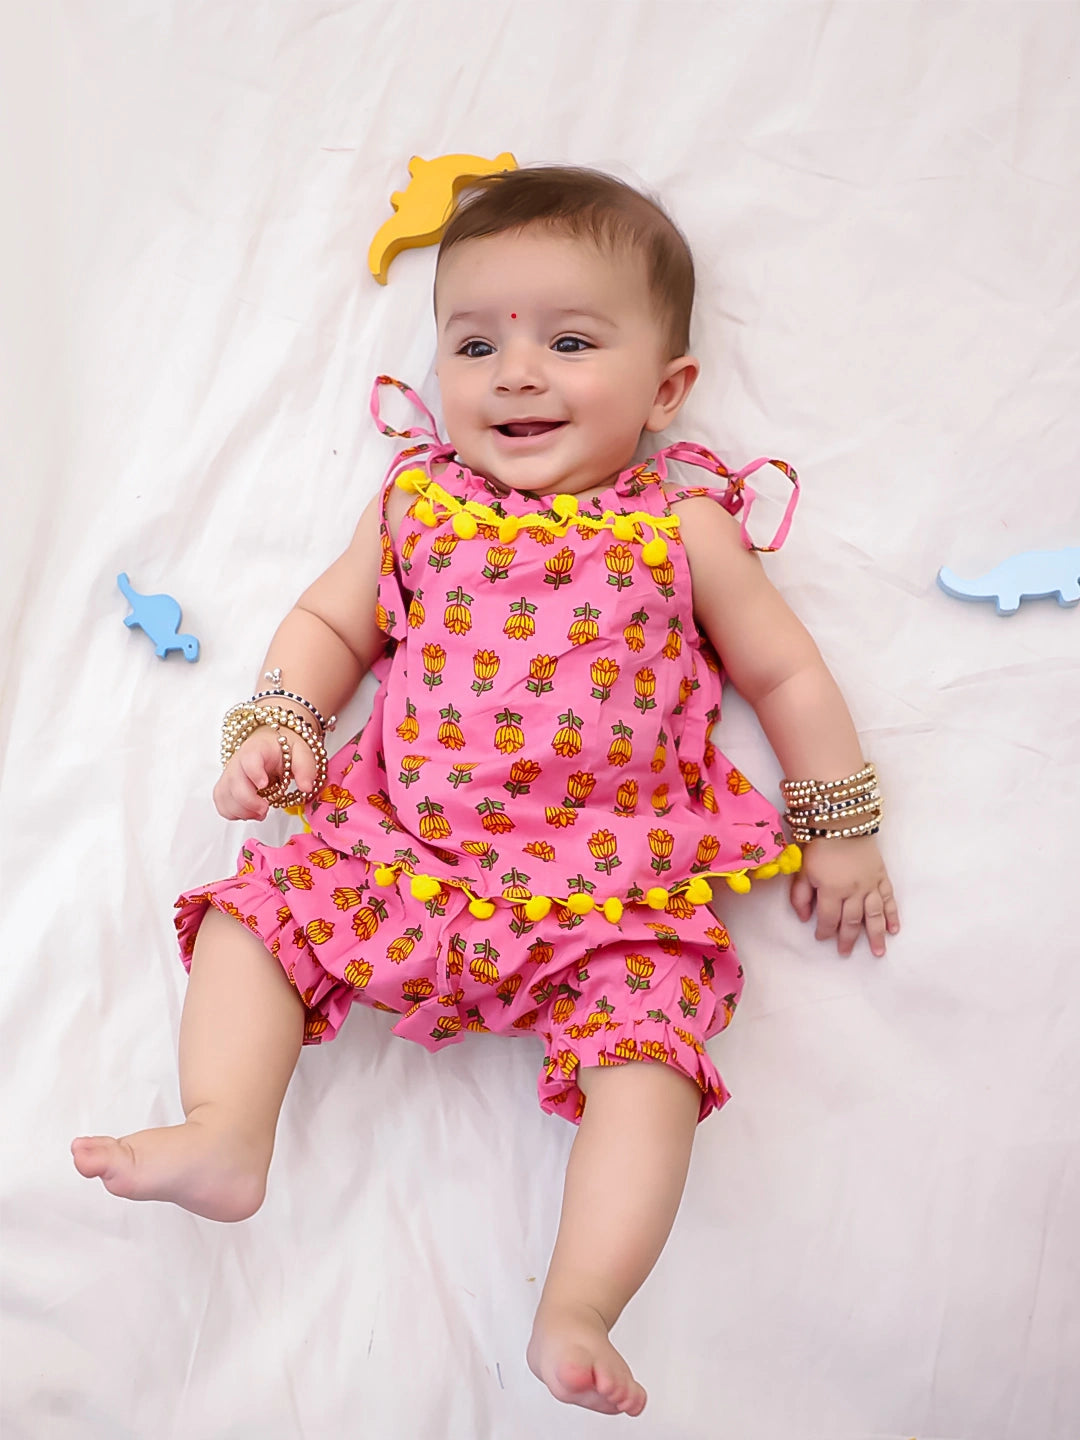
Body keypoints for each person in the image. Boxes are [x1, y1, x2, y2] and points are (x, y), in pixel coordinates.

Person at [72, 166, 900, 1417]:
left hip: (612, 898)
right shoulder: (416, 506)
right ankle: (227, 1129)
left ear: (666, 389)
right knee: (256, 917)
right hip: (404, 861)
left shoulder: (684, 531)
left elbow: (785, 673)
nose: (516, 373)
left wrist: (840, 823)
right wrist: (281, 721)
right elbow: (329, 625)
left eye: (569, 343)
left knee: (652, 1065)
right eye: (475, 345)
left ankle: (582, 1299)